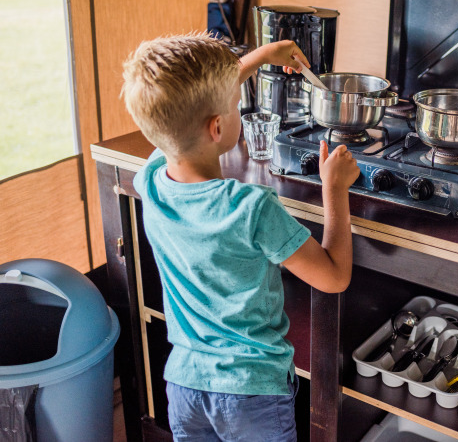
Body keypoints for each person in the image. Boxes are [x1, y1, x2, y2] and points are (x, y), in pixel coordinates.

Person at [121, 32, 360, 442]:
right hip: (252, 393)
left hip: (185, 384)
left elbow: (184, 111)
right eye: (235, 105)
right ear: (217, 127)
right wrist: (334, 191)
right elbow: (334, 277)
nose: (238, 106)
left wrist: (264, 56)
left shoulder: (151, 180)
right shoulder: (250, 207)